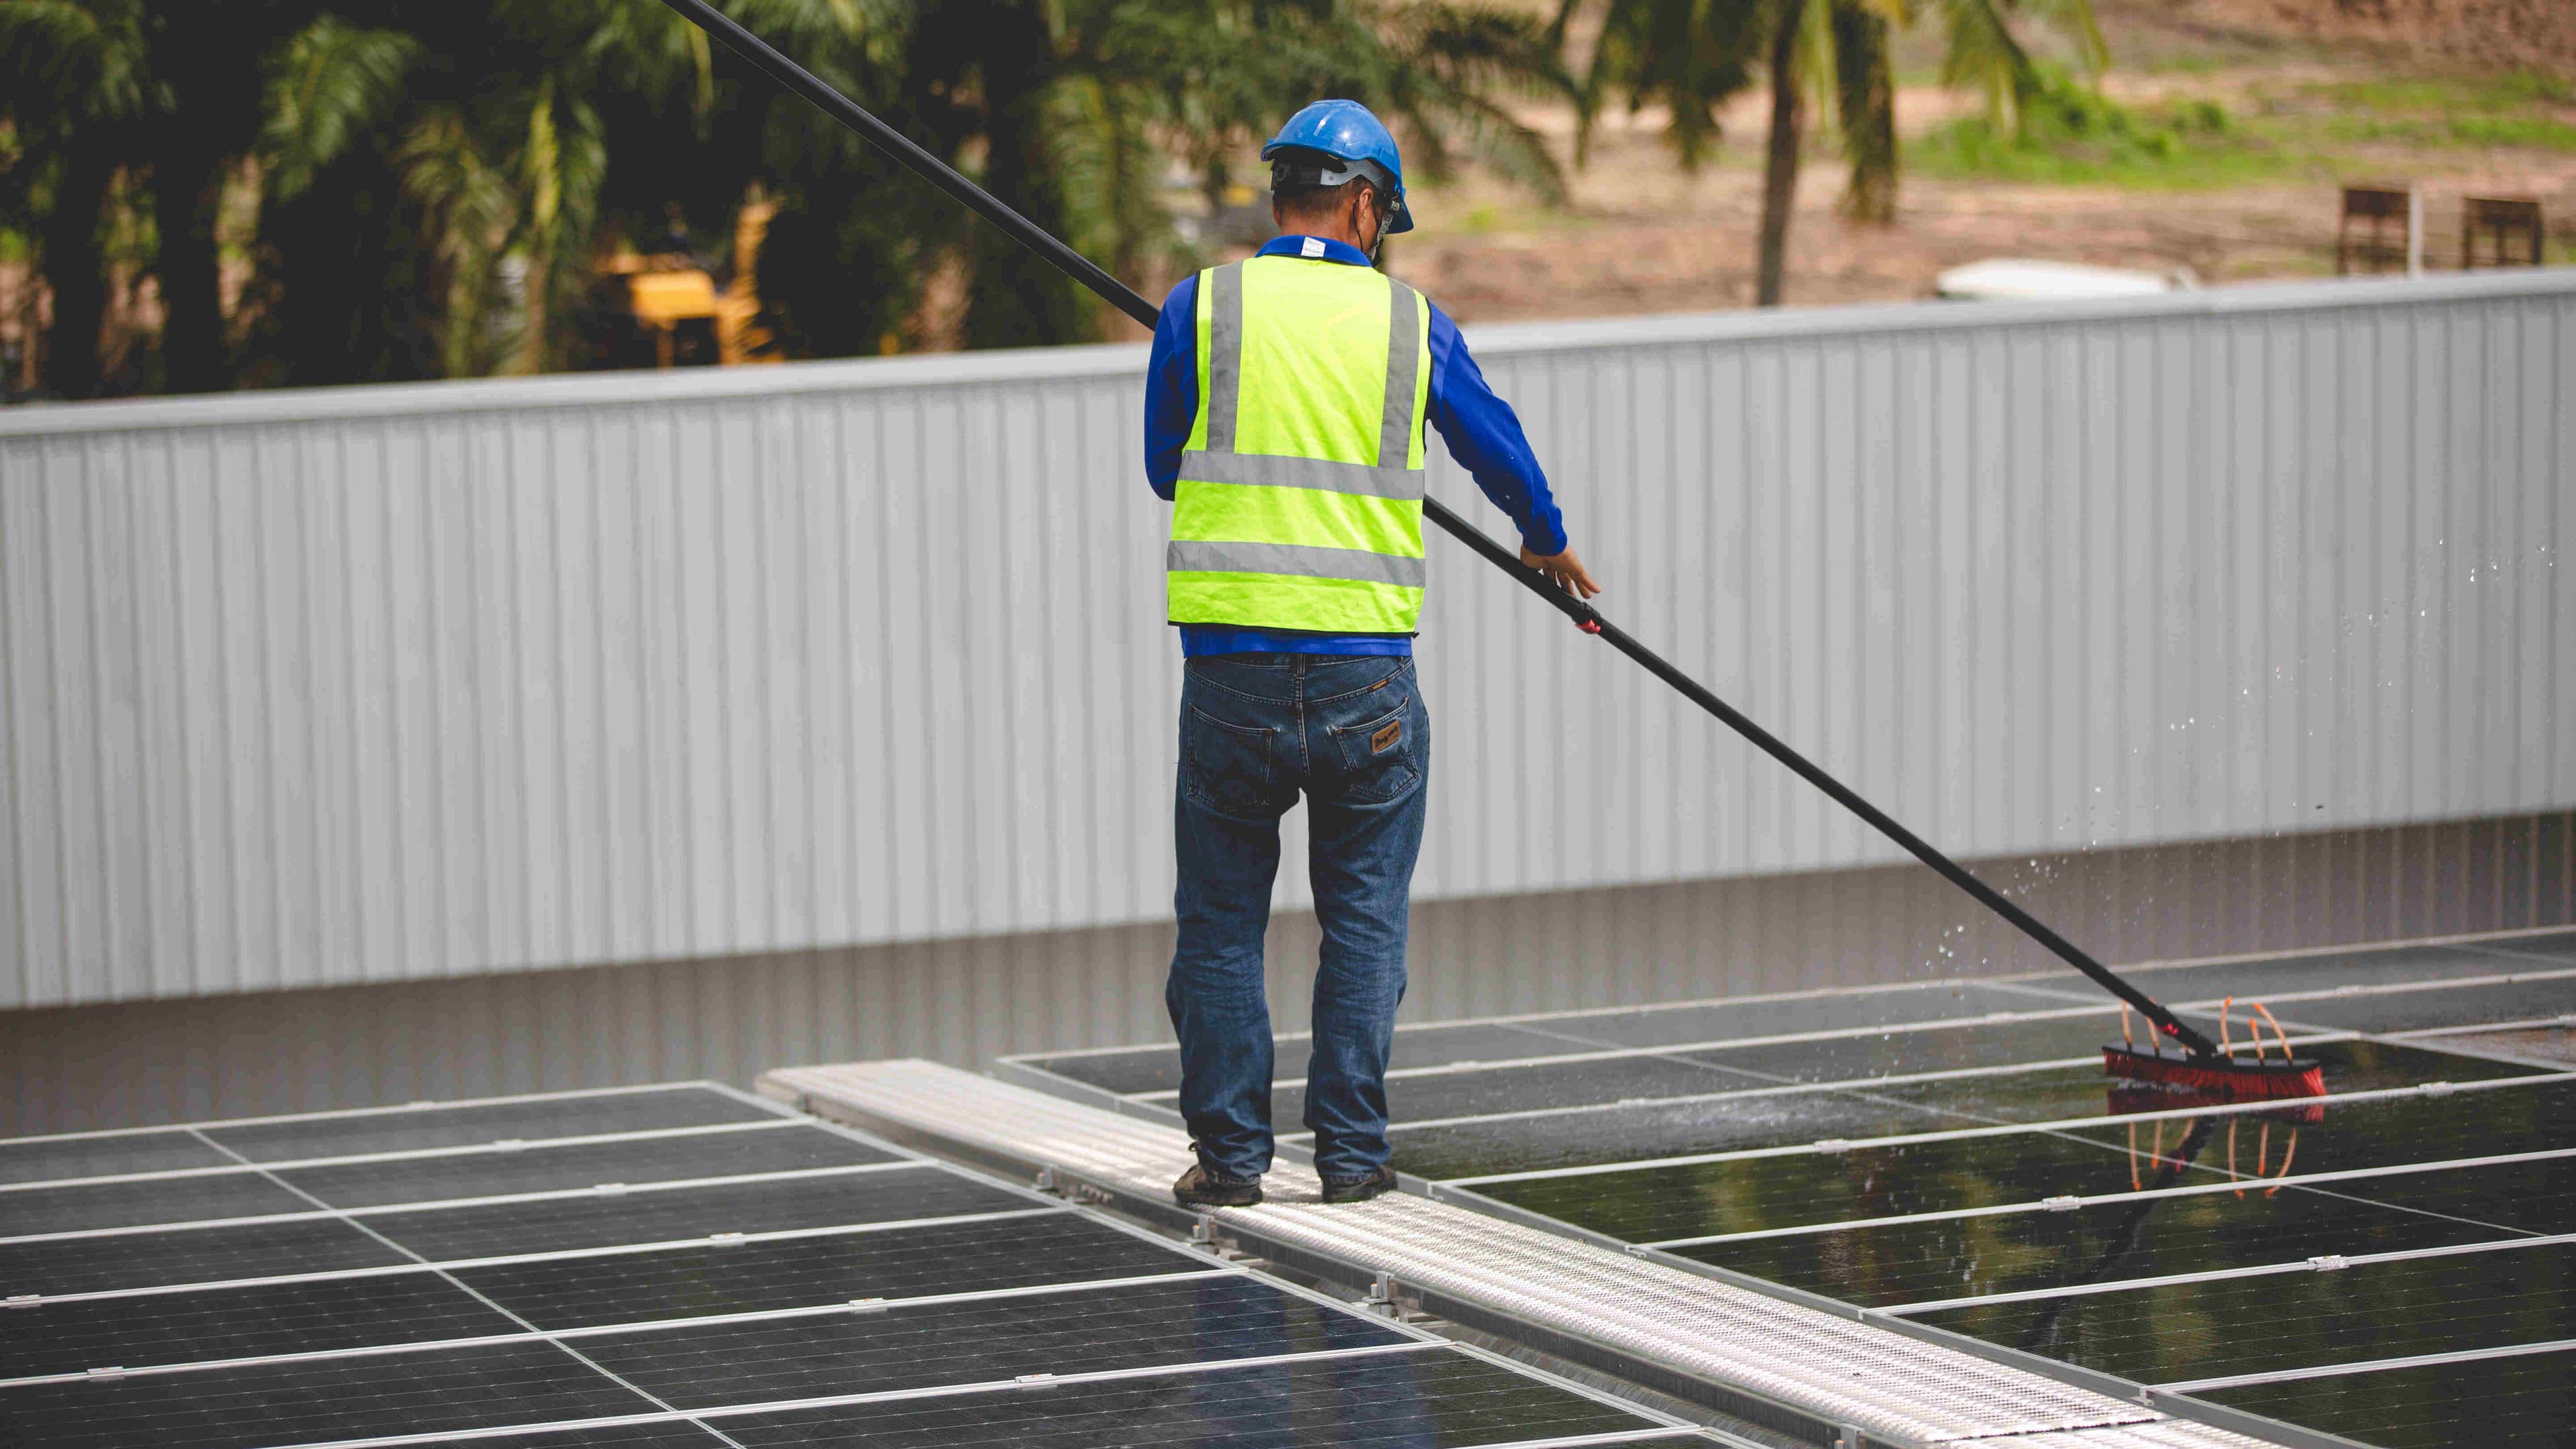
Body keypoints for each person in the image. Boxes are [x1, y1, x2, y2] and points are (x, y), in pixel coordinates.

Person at [1144, 99, 1600, 1209]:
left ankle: (1232, 1163)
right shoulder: (1411, 323)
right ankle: (1351, 1159)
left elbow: (1168, 469)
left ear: (1280, 193)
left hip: (1232, 672)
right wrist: (1545, 541)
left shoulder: (1198, 308)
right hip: (1366, 681)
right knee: (1361, 924)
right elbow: (1497, 444)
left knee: (1219, 929)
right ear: (1363, 204)